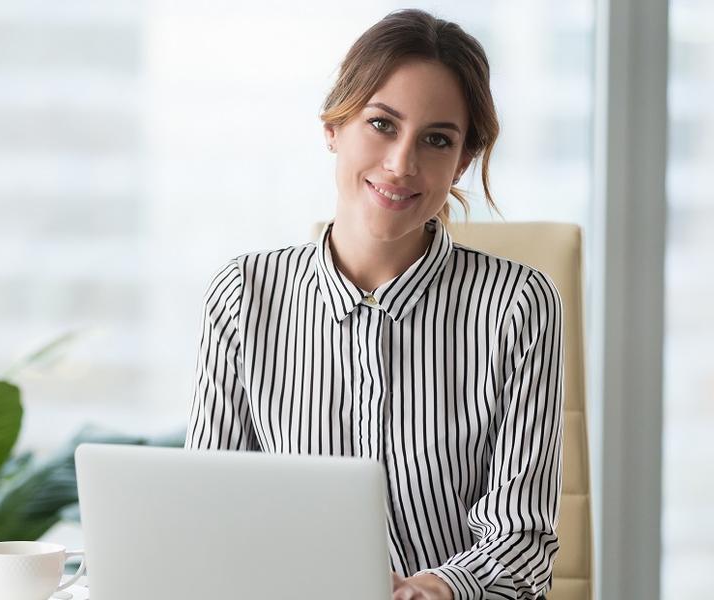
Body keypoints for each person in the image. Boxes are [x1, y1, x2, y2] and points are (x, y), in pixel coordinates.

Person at [185, 8, 564, 600]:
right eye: (382, 124)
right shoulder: (244, 295)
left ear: (462, 160)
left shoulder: (518, 305)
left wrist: (434, 589)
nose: (401, 164)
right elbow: (205, 507)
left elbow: (521, 538)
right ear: (333, 127)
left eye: (437, 140)